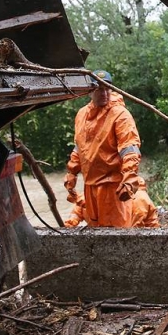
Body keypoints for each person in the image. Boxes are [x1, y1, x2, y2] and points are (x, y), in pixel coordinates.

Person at [64, 70, 142, 227]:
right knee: (95, 232)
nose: (104, 93)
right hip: (90, 187)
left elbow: (130, 149)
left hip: (112, 188)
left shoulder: (120, 114)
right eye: (99, 89)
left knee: (116, 234)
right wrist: (71, 172)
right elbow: (79, 147)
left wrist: (129, 177)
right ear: (89, 91)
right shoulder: (81, 115)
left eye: (107, 88)